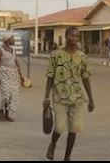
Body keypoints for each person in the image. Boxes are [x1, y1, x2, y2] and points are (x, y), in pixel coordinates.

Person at [44, 26, 95, 162]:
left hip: (77, 99)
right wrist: (46, 97)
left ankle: (67, 157)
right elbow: (50, 76)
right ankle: (53, 144)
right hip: (60, 97)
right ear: (66, 37)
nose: (74, 39)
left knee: (73, 129)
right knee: (59, 127)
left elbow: (85, 78)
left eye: (77, 36)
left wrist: (91, 99)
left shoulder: (82, 57)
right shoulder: (56, 55)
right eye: (72, 36)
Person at [0, 32, 24, 122]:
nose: (14, 40)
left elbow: (16, 62)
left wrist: (21, 75)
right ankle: (0, 111)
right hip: (4, 74)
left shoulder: (13, 50)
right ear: (7, 40)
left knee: (12, 95)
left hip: (13, 74)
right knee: (6, 94)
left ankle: (6, 114)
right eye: (12, 38)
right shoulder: (0, 50)